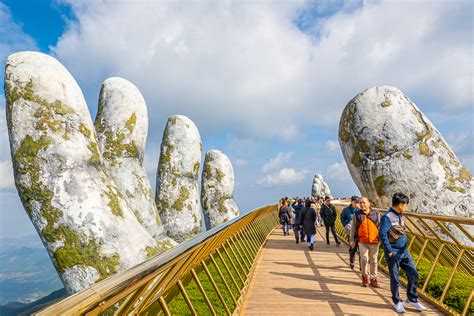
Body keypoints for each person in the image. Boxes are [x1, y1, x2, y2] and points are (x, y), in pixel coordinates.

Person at [379, 192, 426, 313]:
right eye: (405, 205)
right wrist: (389, 252)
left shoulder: (400, 215)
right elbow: (382, 234)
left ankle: (412, 299)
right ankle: (397, 302)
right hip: (393, 252)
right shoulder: (387, 217)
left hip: (404, 251)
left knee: (414, 274)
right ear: (400, 204)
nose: (406, 207)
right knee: (395, 278)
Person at [350, 197, 379, 287]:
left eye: (364, 202)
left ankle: (373, 279)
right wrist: (351, 239)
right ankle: (364, 277)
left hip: (374, 240)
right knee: (364, 258)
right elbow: (353, 227)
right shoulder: (357, 214)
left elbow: (380, 226)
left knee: (374, 260)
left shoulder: (376, 213)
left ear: (369, 203)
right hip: (362, 240)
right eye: (360, 203)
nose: (362, 204)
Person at [341, 196, 360, 269]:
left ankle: (361, 266)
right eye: (355, 202)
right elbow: (342, 218)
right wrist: (346, 226)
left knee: (361, 249)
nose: (357, 204)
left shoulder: (360, 210)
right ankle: (352, 261)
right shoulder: (346, 210)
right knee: (353, 248)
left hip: (360, 232)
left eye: (358, 202)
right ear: (351, 202)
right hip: (351, 232)